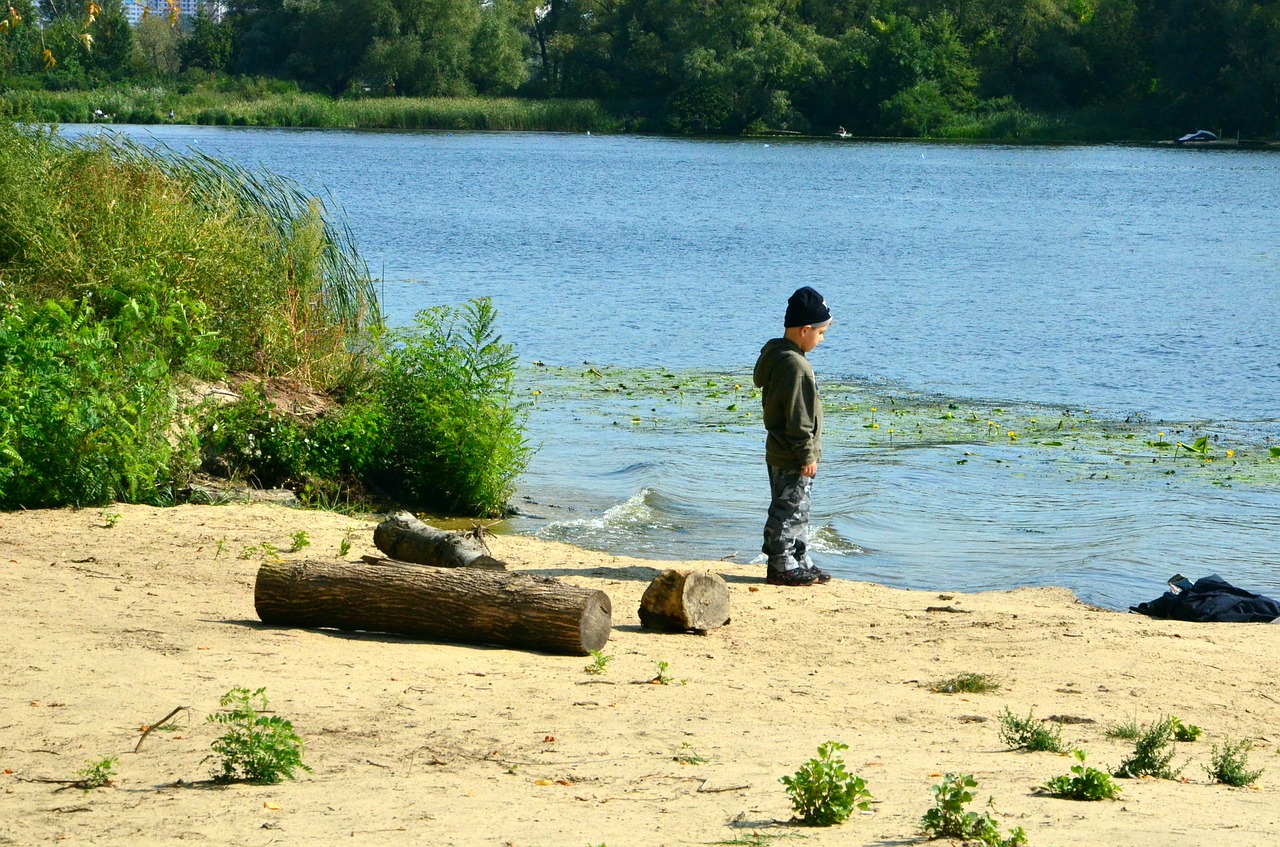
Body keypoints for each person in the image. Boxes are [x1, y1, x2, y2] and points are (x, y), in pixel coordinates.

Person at [753, 286, 833, 586]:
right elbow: (798, 416)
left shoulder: (780, 356)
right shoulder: (795, 365)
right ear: (804, 330)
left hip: (781, 449)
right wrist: (806, 454)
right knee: (788, 510)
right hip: (792, 452)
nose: (822, 339)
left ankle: (800, 558)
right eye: (821, 333)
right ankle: (780, 564)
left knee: (799, 508)